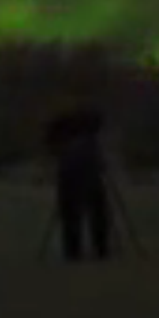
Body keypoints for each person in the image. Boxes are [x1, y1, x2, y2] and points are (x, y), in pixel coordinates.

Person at [44, 100, 111, 261]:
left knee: (76, 212)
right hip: (82, 171)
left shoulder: (64, 122)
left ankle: (76, 251)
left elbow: (51, 145)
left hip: (73, 171)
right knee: (90, 211)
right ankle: (96, 249)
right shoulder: (85, 121)